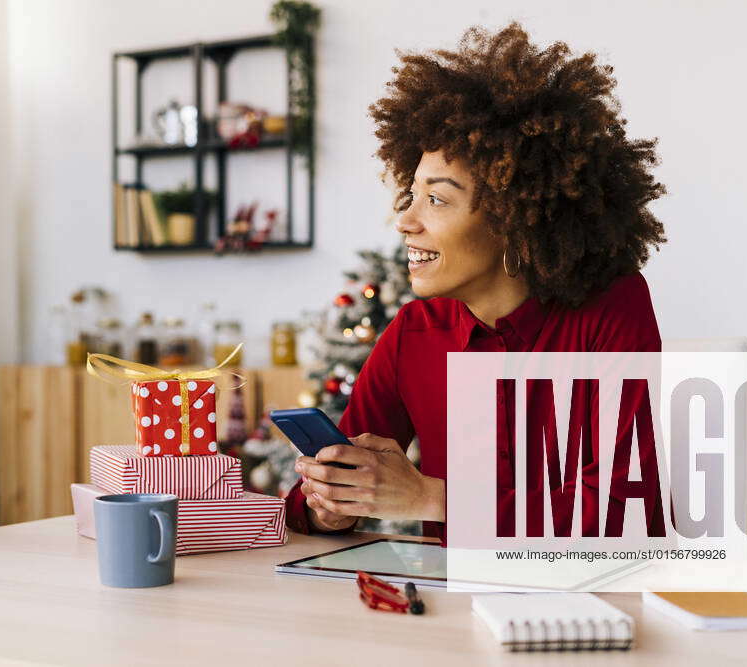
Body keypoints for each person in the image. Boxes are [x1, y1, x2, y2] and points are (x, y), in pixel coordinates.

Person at [285, 22, 667, 543]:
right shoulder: (415, 331)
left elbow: (627, 510)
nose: (405, 221)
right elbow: (311, 505)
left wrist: (428, 497)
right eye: (411, 195)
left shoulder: (610, 309)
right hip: (449, 608)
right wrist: (335, 504)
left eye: (437, 199)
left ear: (513, 218)